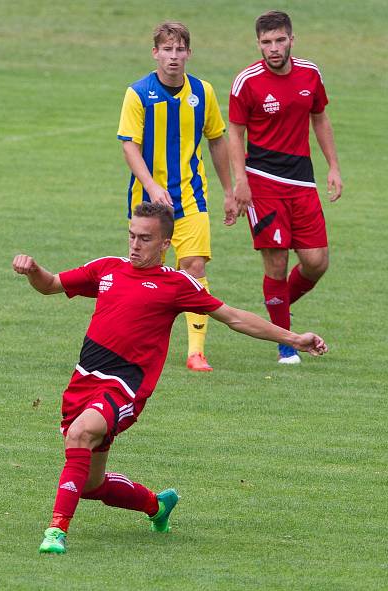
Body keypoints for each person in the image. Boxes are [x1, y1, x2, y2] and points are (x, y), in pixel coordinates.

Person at [12, 203, 328, 554]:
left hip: (125, 387)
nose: (134, 245)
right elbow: (51, 285)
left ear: (165, 244)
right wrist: (34, 270)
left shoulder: (176, 284)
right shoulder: (107, 269)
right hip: (84, 380)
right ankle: (156, 506)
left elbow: (234, 318)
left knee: (81, 433)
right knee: (90, 484)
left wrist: (293, 338)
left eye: (145, 239)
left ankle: (56, 531)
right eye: (132, 236)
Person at [226, 10, 343, 364]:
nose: (273, 48)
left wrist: (333, 167)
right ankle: (286, 344)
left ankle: (274, 310)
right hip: (263, 183)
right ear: (258, 43)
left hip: (302, 180)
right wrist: (240, 181)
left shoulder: (311, 73)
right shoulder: (246, 81)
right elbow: (234, 131)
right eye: (266, 42)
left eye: (279, 40)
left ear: (292, 39)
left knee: (316, 262)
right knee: (275, 266)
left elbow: (319, 117)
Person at [117, 21, 233, 373]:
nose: (173, 56)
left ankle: (196, 352)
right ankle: (130, 343)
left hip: (191, 199)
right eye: (166, 49)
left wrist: (229, 191)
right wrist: (152, 185)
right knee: (142, 274)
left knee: (194, 269)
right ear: (155, 53)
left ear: (188, 53)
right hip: (148, 202)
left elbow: (216, 140)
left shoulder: (203, 92)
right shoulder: (137, 93)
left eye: (179, 49)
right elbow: (129, 146)